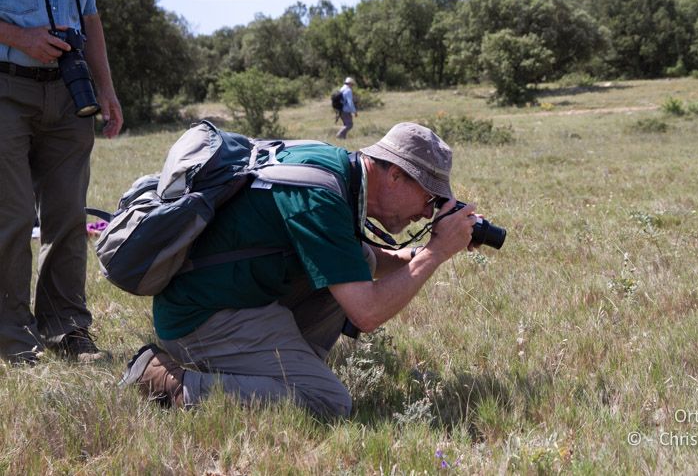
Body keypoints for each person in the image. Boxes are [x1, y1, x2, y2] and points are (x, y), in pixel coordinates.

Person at [121, 122, 478, 416]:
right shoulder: (320, 196)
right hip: (198, 319)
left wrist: (432, 249)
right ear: (396, 176)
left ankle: (279, 372)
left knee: (359, 263)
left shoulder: (336, 170)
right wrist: (435, 253)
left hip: (229, 297)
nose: (428, 213)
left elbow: (361, 259)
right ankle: (165, 380)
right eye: (430, 199)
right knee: (327, 401)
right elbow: (367, 313)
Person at [0, 0, 124, 365]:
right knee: (13, 215)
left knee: (69, 215)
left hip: (71, 91)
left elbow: (89, 18)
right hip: (6, 88)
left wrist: (105, 89)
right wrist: (20, 37)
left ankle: (66, 327)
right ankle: (14, 337)